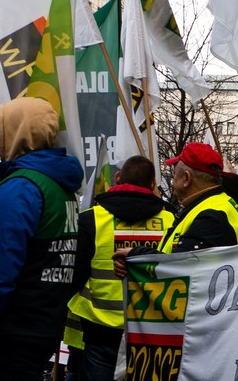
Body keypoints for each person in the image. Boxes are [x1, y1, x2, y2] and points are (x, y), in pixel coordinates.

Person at [0, 97, 84, 378]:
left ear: (20, 130)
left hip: (10, 331)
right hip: (44, 324)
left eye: (1, 125)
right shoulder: (60, 187)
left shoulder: (20, 189)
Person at [66, 155, 175, 381]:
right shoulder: (171, 220)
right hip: (151, 331)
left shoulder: (90, 219)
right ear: (153, 184)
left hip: (100, 329)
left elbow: (74, 277)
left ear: (117, 178)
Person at [112, 142, 238, 276]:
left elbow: (179, 268)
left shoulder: (210, 216)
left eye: (175, 173)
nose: (172, 180)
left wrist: (135, 255)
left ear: (186, 178)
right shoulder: (220, 204)